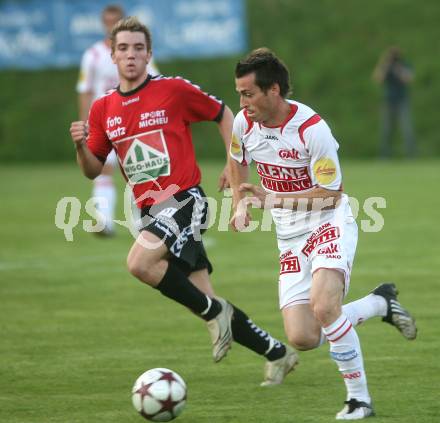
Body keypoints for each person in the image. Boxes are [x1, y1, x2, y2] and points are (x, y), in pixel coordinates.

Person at [70, 18, 298, 386]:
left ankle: (215, 313)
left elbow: (224, 113)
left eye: (139, 48)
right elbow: (92, 170)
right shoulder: (103, 109)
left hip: (184, 199)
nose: (131, 55)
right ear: (111, 55)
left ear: (149, 54)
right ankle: (277, 352)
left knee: (139, 263)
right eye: (124, 48)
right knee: (202, 296)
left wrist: (232, 164)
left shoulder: (173, 89)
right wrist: (81, 145)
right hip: (149, 211)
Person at [229, 48, 417, 419]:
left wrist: (273, 199)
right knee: (304, 336)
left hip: (328, 221)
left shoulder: (312, 130)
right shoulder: (243, 123)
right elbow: (236, 160)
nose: (242, 102)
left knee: (325, 306)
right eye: (239, 93)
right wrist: (239, 201)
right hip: (290, 236)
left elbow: (331, 194)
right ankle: (380, 303)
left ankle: (358, 399)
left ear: (274, 91)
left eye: (248, 93)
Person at [76, 4, 159, 236]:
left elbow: (154, 84)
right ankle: (104, 220)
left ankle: (144, 220)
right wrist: (85, 123)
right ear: (104, 24)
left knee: (139, 171)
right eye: (108, 21)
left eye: (116, 20)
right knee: (103, 169)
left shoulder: (139, 53)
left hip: (133, 123)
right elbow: (85, 89)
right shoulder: (92, 55)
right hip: (103, 121)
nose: (111, 25)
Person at [372, 46, 416, 158]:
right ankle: (384, 155)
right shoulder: (386, 66)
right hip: (388, 101)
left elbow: (408, 79)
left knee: (406, 129)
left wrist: (398, 68)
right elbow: (378, 78)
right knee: (386, 130)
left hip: (402, 100)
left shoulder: (404, 64)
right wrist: (384, 64)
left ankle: (410, 154)